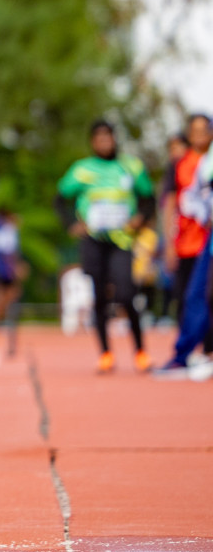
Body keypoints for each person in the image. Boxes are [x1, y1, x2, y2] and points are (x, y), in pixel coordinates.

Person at [56, 121, 155, 373]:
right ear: (92, 142)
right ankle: (105, 354)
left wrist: (141, 219)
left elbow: (148, 198)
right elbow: (60, 198)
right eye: (99, 139)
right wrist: (71, 224)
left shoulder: (131, 167)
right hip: (94, 241)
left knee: (126, 294)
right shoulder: (82, 170)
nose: (104, 143)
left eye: (108, 138)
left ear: (114, 139)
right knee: (99, 297)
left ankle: (140, 351)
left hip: (121, 241)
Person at [163, 115, 210, 330]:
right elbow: (170, 204)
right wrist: (169, 244)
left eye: (204, 130)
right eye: (195, 130)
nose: (199, 135)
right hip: (186, 242)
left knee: (208, 296)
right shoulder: (180, 164)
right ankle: (188, 351)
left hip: (207, 243)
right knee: (185, 297)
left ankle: (207, 350)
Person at [156, 132, 189, 325]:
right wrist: (168, 244)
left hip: (197, 240)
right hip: (177, 241)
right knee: (179, 291)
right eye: (171, 149)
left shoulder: (198, 170)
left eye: (177, 147)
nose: (173, 153)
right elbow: (166, 212)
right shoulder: (170, 177)